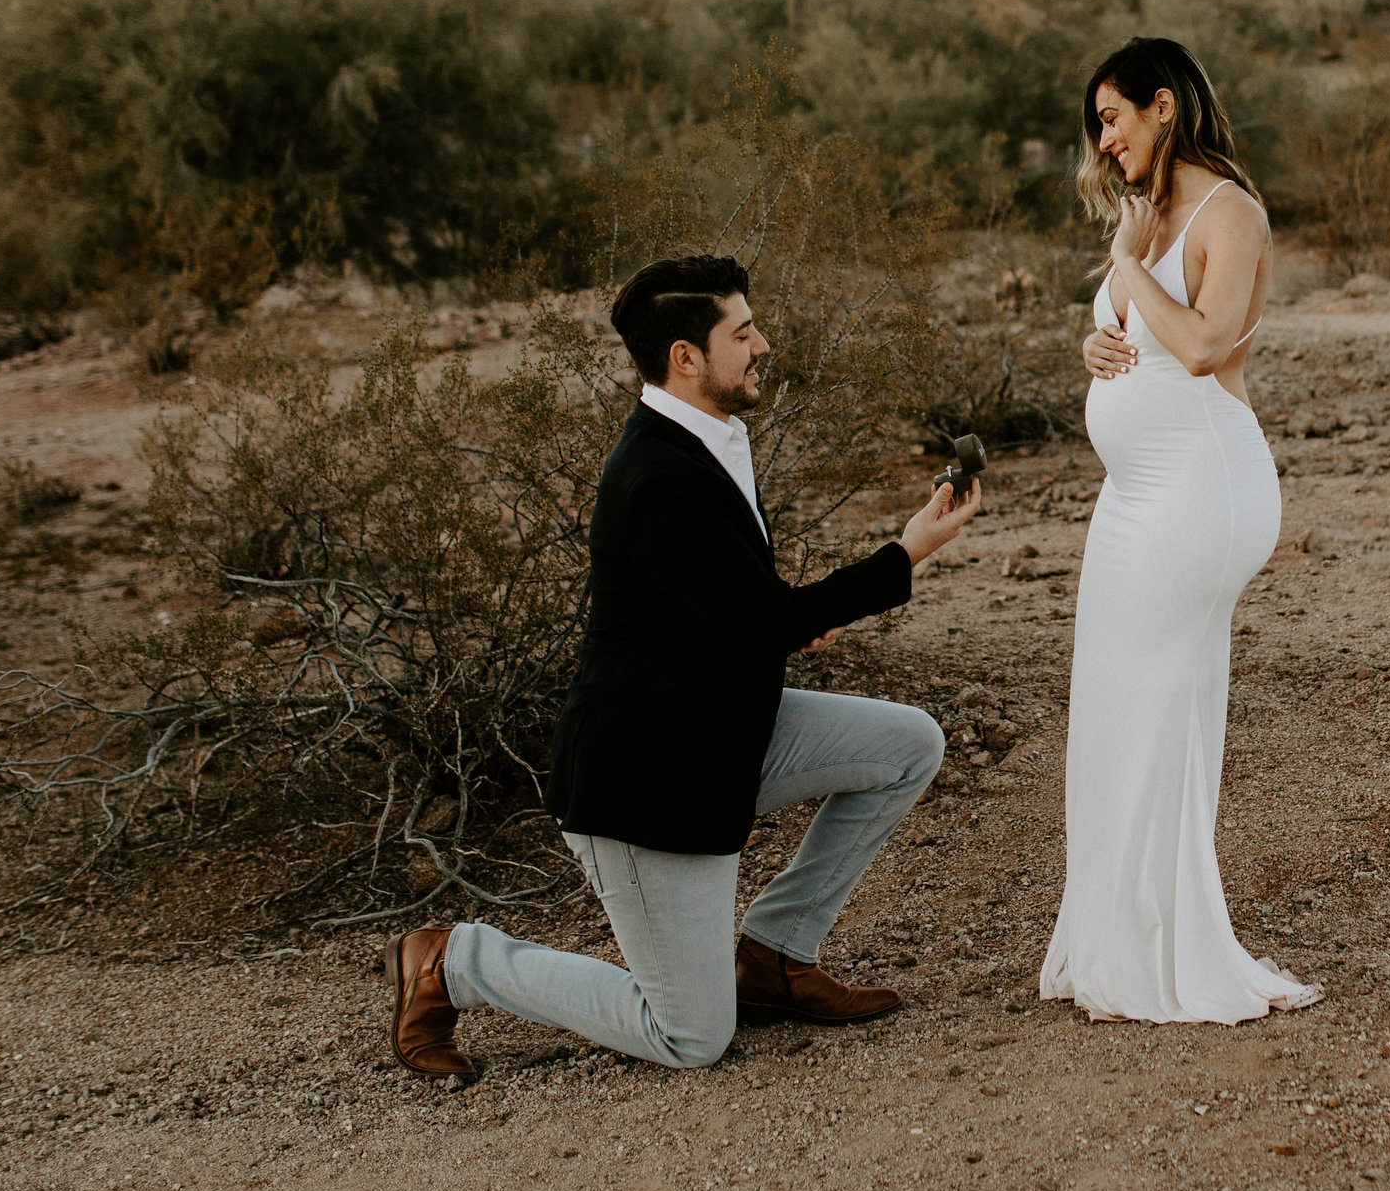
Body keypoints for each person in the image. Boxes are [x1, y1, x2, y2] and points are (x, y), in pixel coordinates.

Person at [384, 254, 981, 1077]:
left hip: (719, 731)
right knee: (692, 1037)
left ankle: (774, 955)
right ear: (685, 357)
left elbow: (730, 606)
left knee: (907, 745)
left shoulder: (710, 437)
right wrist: (907, 550)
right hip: (645, 782)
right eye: (743, 333)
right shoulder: (657, 475)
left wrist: (778, 627)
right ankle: (453, 961)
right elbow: (764, 615)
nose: (763, 344)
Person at [1039, 37, 1320, 1024]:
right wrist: (1097, 333)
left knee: (1161, 708)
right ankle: (1119, 935)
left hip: (1203, 486)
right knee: (1116, 704)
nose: (1103, 141)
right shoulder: (1144, 213)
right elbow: (1137, 332)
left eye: (1112, 118)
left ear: (1162, 107)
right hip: (1133, 499)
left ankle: (1168, 952)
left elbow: (1203, 344)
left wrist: (1125, 269)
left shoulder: (1225, 211)